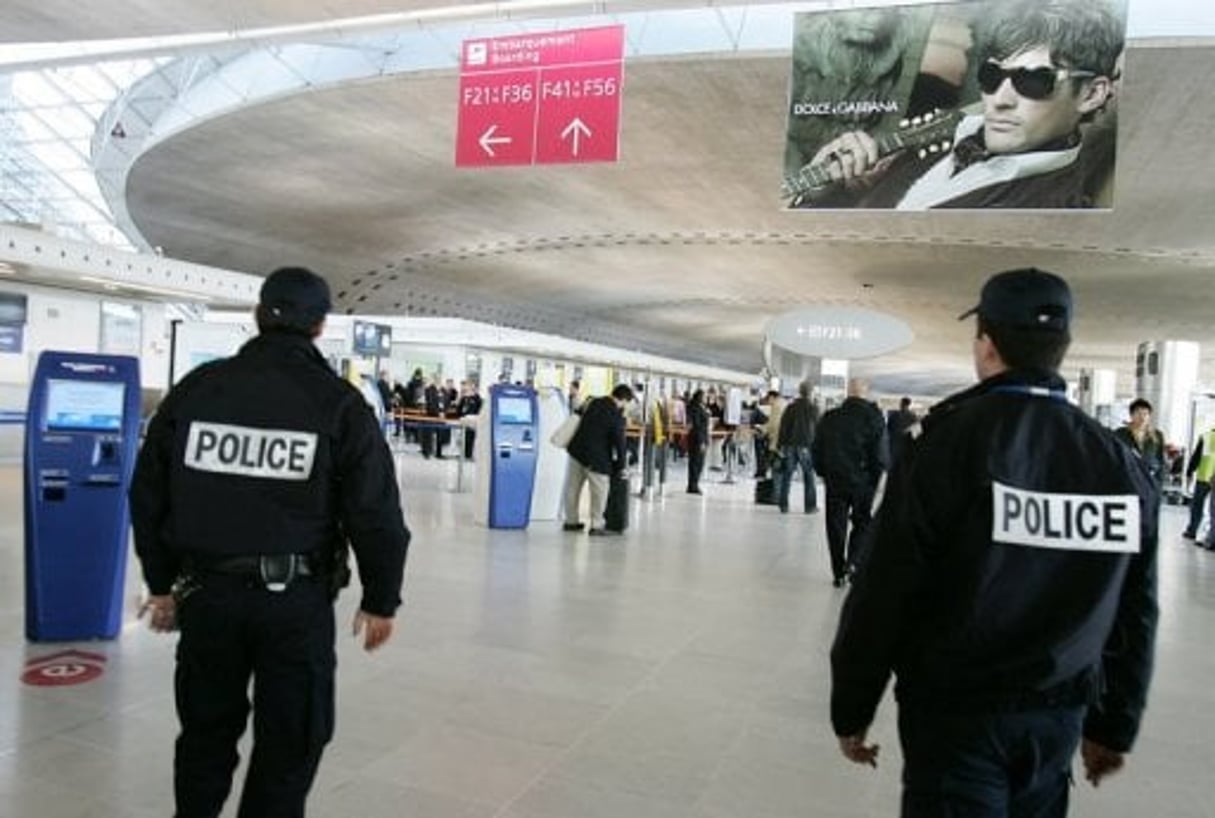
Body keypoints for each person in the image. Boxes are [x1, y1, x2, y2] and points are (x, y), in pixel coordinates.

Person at [831, 267, 1159, 817]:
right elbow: (1136, 608)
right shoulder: (1117, 464)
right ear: (1064, 347)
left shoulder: (946, 445)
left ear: (985, 344)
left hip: (955, 716)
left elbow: (886, 587)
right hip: (1057, 718)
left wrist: (853, 705)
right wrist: (1113, 725)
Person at [129, 267, 410, 818]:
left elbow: (148, 494)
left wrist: (161, 586)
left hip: (205, 596)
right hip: (294, 604)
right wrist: (381, 599)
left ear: (259, 315)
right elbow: (375, 513)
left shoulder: (199, 389)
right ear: (320, 325)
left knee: (205, 734)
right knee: (291, 740)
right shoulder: (338, 405)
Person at [797, 0, 1123, 209]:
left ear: (1091, 94)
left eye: (1033, 81)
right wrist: (829, 191)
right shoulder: (930, 142)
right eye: (991, 75)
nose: (1000, 100)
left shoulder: (1054, 208)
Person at [813, 379, 887, 586]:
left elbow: (816, 448)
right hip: (863, 481)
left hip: (835, 480)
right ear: (865, 392)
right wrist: (876, 478)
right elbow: (880, 455)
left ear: (847, 392)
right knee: (862, 522)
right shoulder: (874, 418)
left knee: (835, 525)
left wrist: (823, 472)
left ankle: (838, 570)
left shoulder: (830, 417)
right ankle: (853, 562)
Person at [563, 383, 634, 536]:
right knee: (599, 492)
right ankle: (597, 525)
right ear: (624, 400)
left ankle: (571, 521)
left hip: (577, 452)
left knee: (572, 489)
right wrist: (622, 467)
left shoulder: (592, 402)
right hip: (596, 459)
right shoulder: (616, 415)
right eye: (627, 403)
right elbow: (620, 444)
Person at [775, 379, 820, 514]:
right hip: (806, 445)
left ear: (800, 392)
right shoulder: (813, 408)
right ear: (811, 392)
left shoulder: (791, 407)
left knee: (787, 475)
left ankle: (783, 505)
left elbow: (783, 427)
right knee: (808, 476)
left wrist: (780, 445)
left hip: (790, 445)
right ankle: (810, 506)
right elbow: (818, 428)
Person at [1113, 398, 1167, 486]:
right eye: (1138, 413)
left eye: (1145, 414)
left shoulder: (1157, 435)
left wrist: (1159, 483)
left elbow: (1161, 460)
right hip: (1127, 480)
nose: (1142, 417)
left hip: (1150, 480)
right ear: (1131, 415)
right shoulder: (1120, 434)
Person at [1183, 423, 1215, 542]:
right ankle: (1212, 536)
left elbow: (1196, 457)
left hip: (1204, 477)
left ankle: (1192, 531)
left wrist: (1189, 472)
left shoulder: (1206, 436)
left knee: (1197, 505)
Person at [685, 388, 711, 495]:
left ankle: (693, 484)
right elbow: (697, 426)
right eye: (705, 396)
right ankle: (693, 485)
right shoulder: (695, 408)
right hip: (697, 440)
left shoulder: (700, 408)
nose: (706, 399)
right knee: (696, 463)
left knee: (697, 463)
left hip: (699, 438)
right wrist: (702, 442)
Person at [886, 396, 918, 466]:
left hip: (895, 443)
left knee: (894, 465)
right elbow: (916, 432)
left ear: (901, 403)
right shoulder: (913, 416)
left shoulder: (894, 415)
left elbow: (888, 429)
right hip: (907, 444)